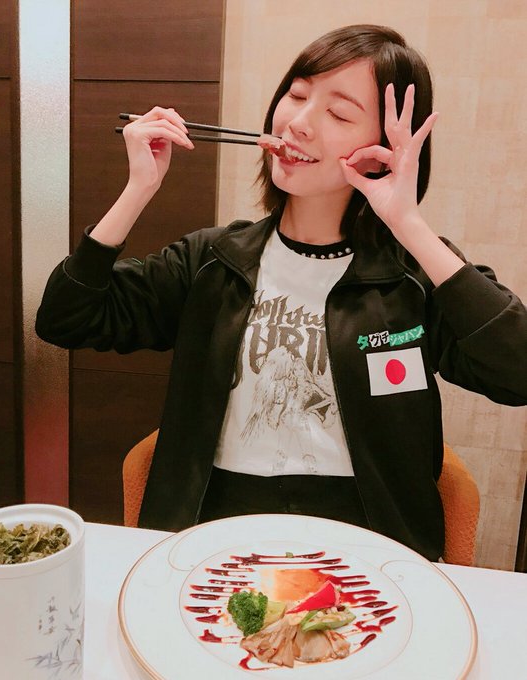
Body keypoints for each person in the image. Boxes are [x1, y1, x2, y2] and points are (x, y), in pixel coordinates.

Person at [36, 24, 527, 561]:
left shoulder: (414, 275)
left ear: (384, 150)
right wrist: (137, 190)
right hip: (213, 533)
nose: (298, 123)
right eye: (296, 94)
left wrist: (408, 225)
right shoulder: (214, 260)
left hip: (370, 547)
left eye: (338, 113)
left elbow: (517, 371)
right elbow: (65, 318)